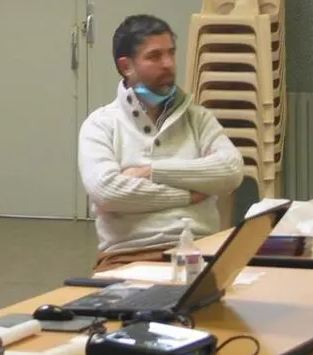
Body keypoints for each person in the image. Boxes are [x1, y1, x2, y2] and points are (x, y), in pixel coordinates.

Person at [78, 14, 244, 272]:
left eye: (171, 53)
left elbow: (231, 171)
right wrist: (191, 194)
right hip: (129, 256)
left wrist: (151, 172)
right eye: (155, 56)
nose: (168, 64)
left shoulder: (197, 118)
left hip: (202, 250)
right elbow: (107, 191)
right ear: (126, 66)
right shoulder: (100, 124)